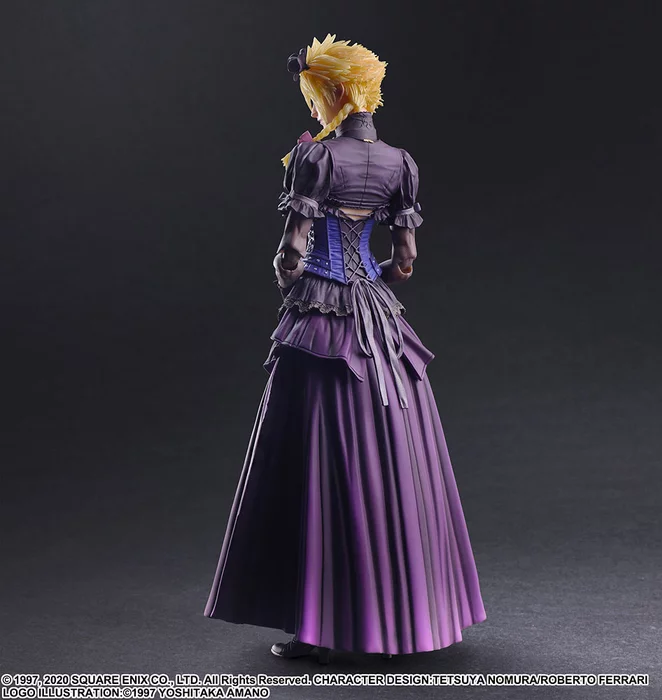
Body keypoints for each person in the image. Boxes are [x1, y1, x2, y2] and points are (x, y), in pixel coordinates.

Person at [203, 34, 486, 665]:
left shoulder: (316, 157)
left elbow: (292, 249)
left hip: (321, 321)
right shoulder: (401, 163)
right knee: (395, 459)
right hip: (378, 318)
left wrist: (290, 279)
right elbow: (405, 263)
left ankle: (320, 625)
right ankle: (401, 618)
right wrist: (370, 285)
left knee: (314, 460)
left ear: (330, 92)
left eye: (313, 95)